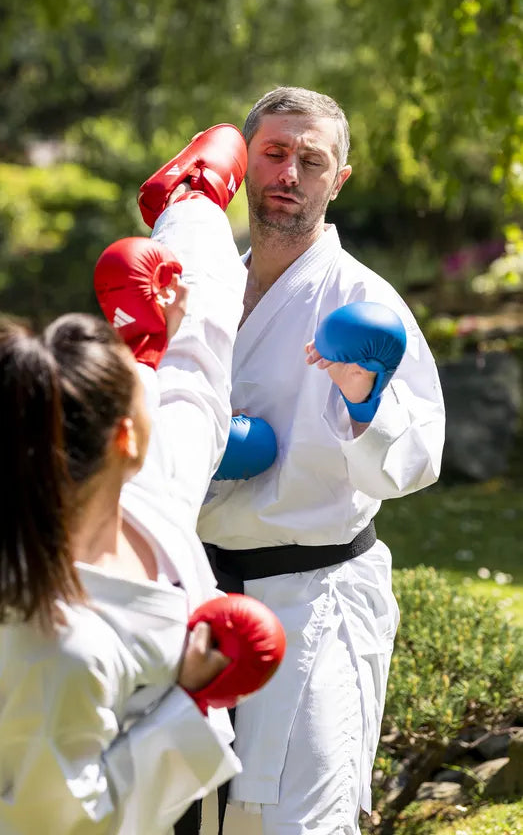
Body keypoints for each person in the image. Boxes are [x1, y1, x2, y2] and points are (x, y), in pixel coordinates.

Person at [0, 125, 287, 835]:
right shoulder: (57, 644)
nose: (152, 369)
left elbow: (194, 374)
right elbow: (60, 826)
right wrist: (187, 704)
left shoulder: (135, 497)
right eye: (141, 377)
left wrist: (194, 205)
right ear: (125, 438)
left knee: (190, 381)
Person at [183, 86, 446, 835]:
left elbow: (416, 461)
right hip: (199, 589)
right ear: (246, 161)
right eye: (273, 152)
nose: (288, 172)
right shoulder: (202, 289)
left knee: (299, 819)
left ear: (338, 179)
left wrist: (365, 402)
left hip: (312, 601)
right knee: (188, 809)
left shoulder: (363, 299)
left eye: (310, 159)